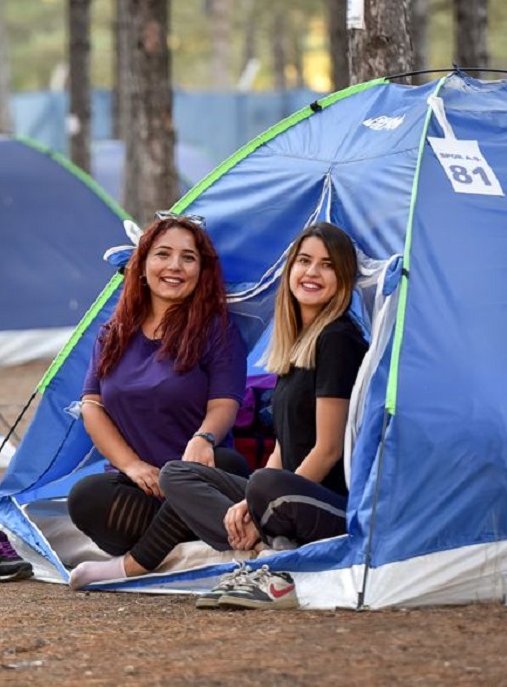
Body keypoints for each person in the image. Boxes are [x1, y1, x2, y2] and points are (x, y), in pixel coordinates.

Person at [158, 221, 367, 610]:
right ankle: (264, 546)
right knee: (177, 473)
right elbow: (282, 449)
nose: (312, 273)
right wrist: (250, 499)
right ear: (290, 271)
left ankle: (270, 560)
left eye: (327, 265)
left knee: (267, 485)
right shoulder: (296, 344)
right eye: (304, 261)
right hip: (282, 492)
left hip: (328, 503)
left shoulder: (338, 340)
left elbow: (328, 449)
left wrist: (258, 497)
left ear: (343, 278)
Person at [65, 212, 249, 589]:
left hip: (198, 473)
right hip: (145, 490)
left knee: (228, 465)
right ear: (143, 264)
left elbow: (224, 403)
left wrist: (204, 439)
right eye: (163, 254)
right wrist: (132, 466)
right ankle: (185, 539)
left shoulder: (218, 330)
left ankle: (136, 563)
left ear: (202, 270)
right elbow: (92, 407)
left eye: (188, 257)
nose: (175, 266)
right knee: (86, 496)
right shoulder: (113, 333)